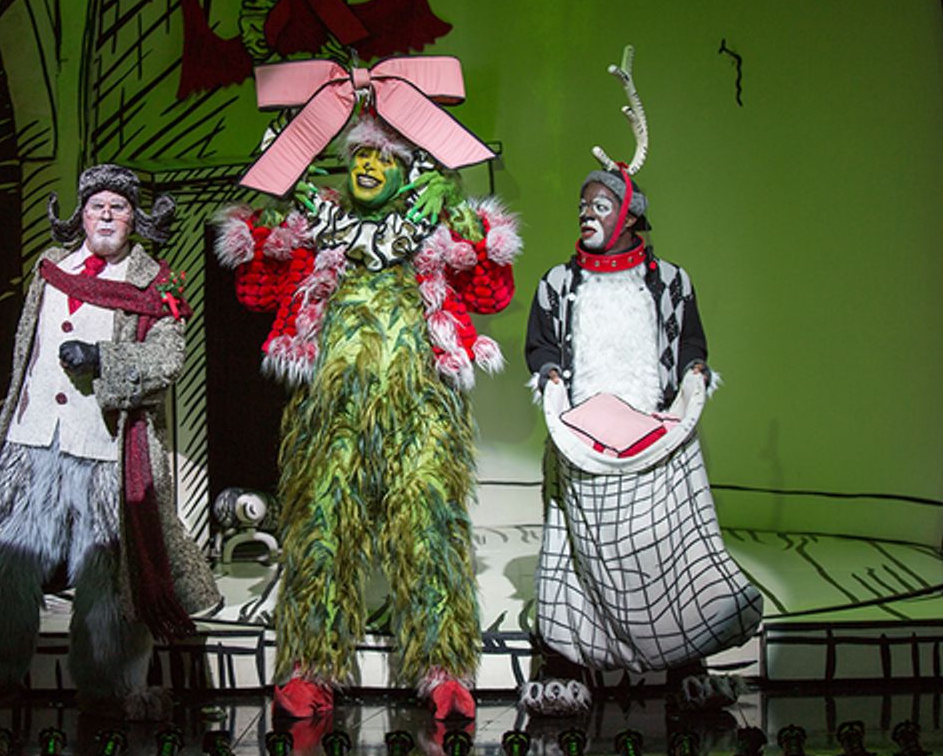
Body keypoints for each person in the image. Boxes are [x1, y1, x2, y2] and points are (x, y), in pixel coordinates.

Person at [215, 57, 519, 721]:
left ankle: (443, 668)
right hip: (331, 418)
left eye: (383, 159)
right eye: (359, 159)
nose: (369, 167)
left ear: (406, 169)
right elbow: (255, 290)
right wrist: (272, 206)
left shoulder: (431, 231)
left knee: (431, 532)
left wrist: (472, 227)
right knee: (320, 531)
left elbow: (493, 290)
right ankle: (309, 668)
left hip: (422, 416)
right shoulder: (319, 231)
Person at [0, 164, 218, 727]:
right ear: (81, 215)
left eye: (119, 207)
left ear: (136, 218)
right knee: (2, 558)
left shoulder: (156, 283)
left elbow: (167, 360)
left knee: (111, 573)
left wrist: (106, 360)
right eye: (97, 206)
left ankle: (111, 688)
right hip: (31, 443)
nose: (107, 216)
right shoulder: (50, 271)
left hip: (106, 448)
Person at [522, 47, 762, 715]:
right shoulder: (558, 283)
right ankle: (568, 661)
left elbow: (692, 346)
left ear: (629, 212)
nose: (585, 213)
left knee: (666, 552)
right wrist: (551, 388)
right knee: (572, 557)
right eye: (581, 204)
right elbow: (541, 346)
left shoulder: (670, 283)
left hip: (655, 440)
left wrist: (690, 386)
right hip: (579, 443)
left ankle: (685, 661)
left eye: (598, 203)